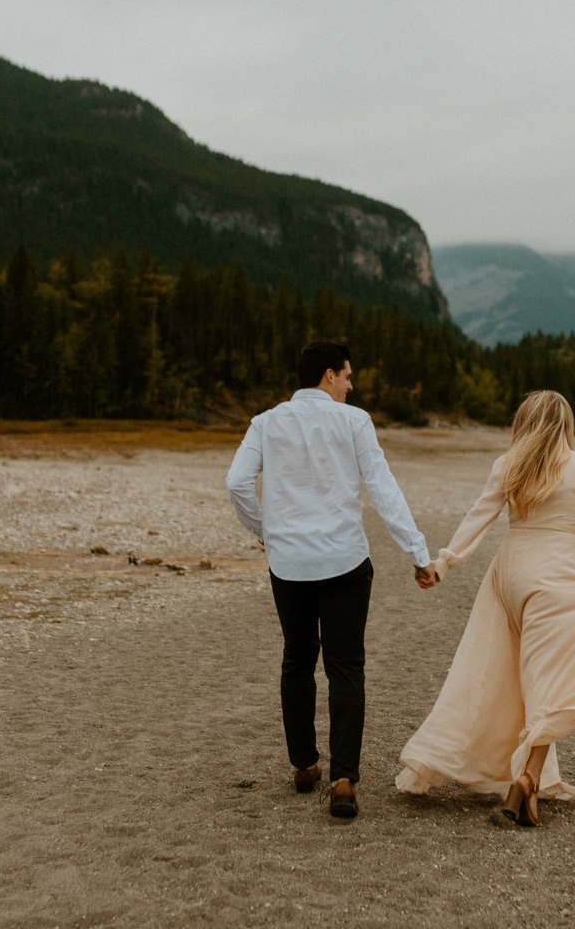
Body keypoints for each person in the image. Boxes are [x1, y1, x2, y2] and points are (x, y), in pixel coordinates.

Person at [396, 390, 575, 826]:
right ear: (565, 425)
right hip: (556, 578)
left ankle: (524, 778)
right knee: (551, 680)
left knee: (501, 674)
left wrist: (444, 562)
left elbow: (479, 517)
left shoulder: (508, 464)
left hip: (509, 576)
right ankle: (526, 782)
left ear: (525, 422)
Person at [226, 341, 437, 819]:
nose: (351, 384)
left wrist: (266, 532)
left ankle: (304, 765)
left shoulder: (266, 422)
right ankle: (343, 779)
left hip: (289, 564)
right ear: (327, 375)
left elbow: (236, 482)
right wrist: (417, 553)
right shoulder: (354, 421)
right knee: (345, 665)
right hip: (344, 563)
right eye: (347, 376)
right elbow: (382, 487)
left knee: (297, 659)